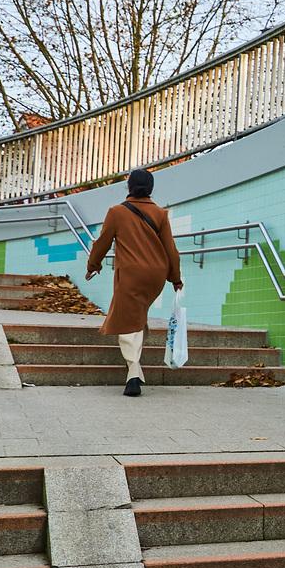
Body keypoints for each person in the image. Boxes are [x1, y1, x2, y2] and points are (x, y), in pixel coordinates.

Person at [85, 168, 184, 397]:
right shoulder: (160, 214)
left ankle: (133, 374)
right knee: (136, 315)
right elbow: (171, 250)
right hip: (155, 276)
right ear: (150, 188)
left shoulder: (116, 212)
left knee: (128, 321)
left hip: (130, 274)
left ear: (128, 187)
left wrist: (93, 266)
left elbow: (102, 243)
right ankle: (134, 364)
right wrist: (175, 278)